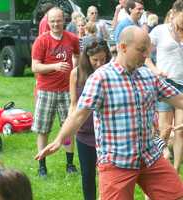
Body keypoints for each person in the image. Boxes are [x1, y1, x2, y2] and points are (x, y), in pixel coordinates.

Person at [35, 26, 183, 200]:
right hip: (117, 162)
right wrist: (59, 140)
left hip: (149, 157)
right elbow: (79, 115)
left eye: (148, 50)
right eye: (141, 50)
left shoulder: (149, 76)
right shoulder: (101, 78)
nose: (146, 55)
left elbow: (179, 99)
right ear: (123, 47)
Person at [31, 7, 80, 177]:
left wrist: (75, 68)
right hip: (46, 90)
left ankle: (70, 164)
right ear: (48, 21)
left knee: (68, 129)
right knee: (43, 129)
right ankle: (42, 166)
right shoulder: (41, 41)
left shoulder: (72, 38)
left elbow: (78, 55)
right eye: (52, 21)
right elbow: (35, 66)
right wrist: (55, 66)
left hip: (68, 90)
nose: (55, 24)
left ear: (64, 20)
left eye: (58, 20)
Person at [69, 38, 111, 200]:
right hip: (84, 133)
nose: (100, 63)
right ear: (86, 57)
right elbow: (73, 104)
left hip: (107, 133)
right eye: (95, 60)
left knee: (106, 174)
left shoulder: (111, 73)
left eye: (103, 59)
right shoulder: (76, 73)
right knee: (87, 175)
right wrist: (70, 128)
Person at [145, 0, 183, 172]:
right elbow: (144, 54)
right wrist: (155, 70)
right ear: (174, 12)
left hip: (182, 86)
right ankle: (162, 166)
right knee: (164, 130)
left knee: (181, 130)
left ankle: (175, 170)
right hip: (164, 85)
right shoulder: (160, 31)